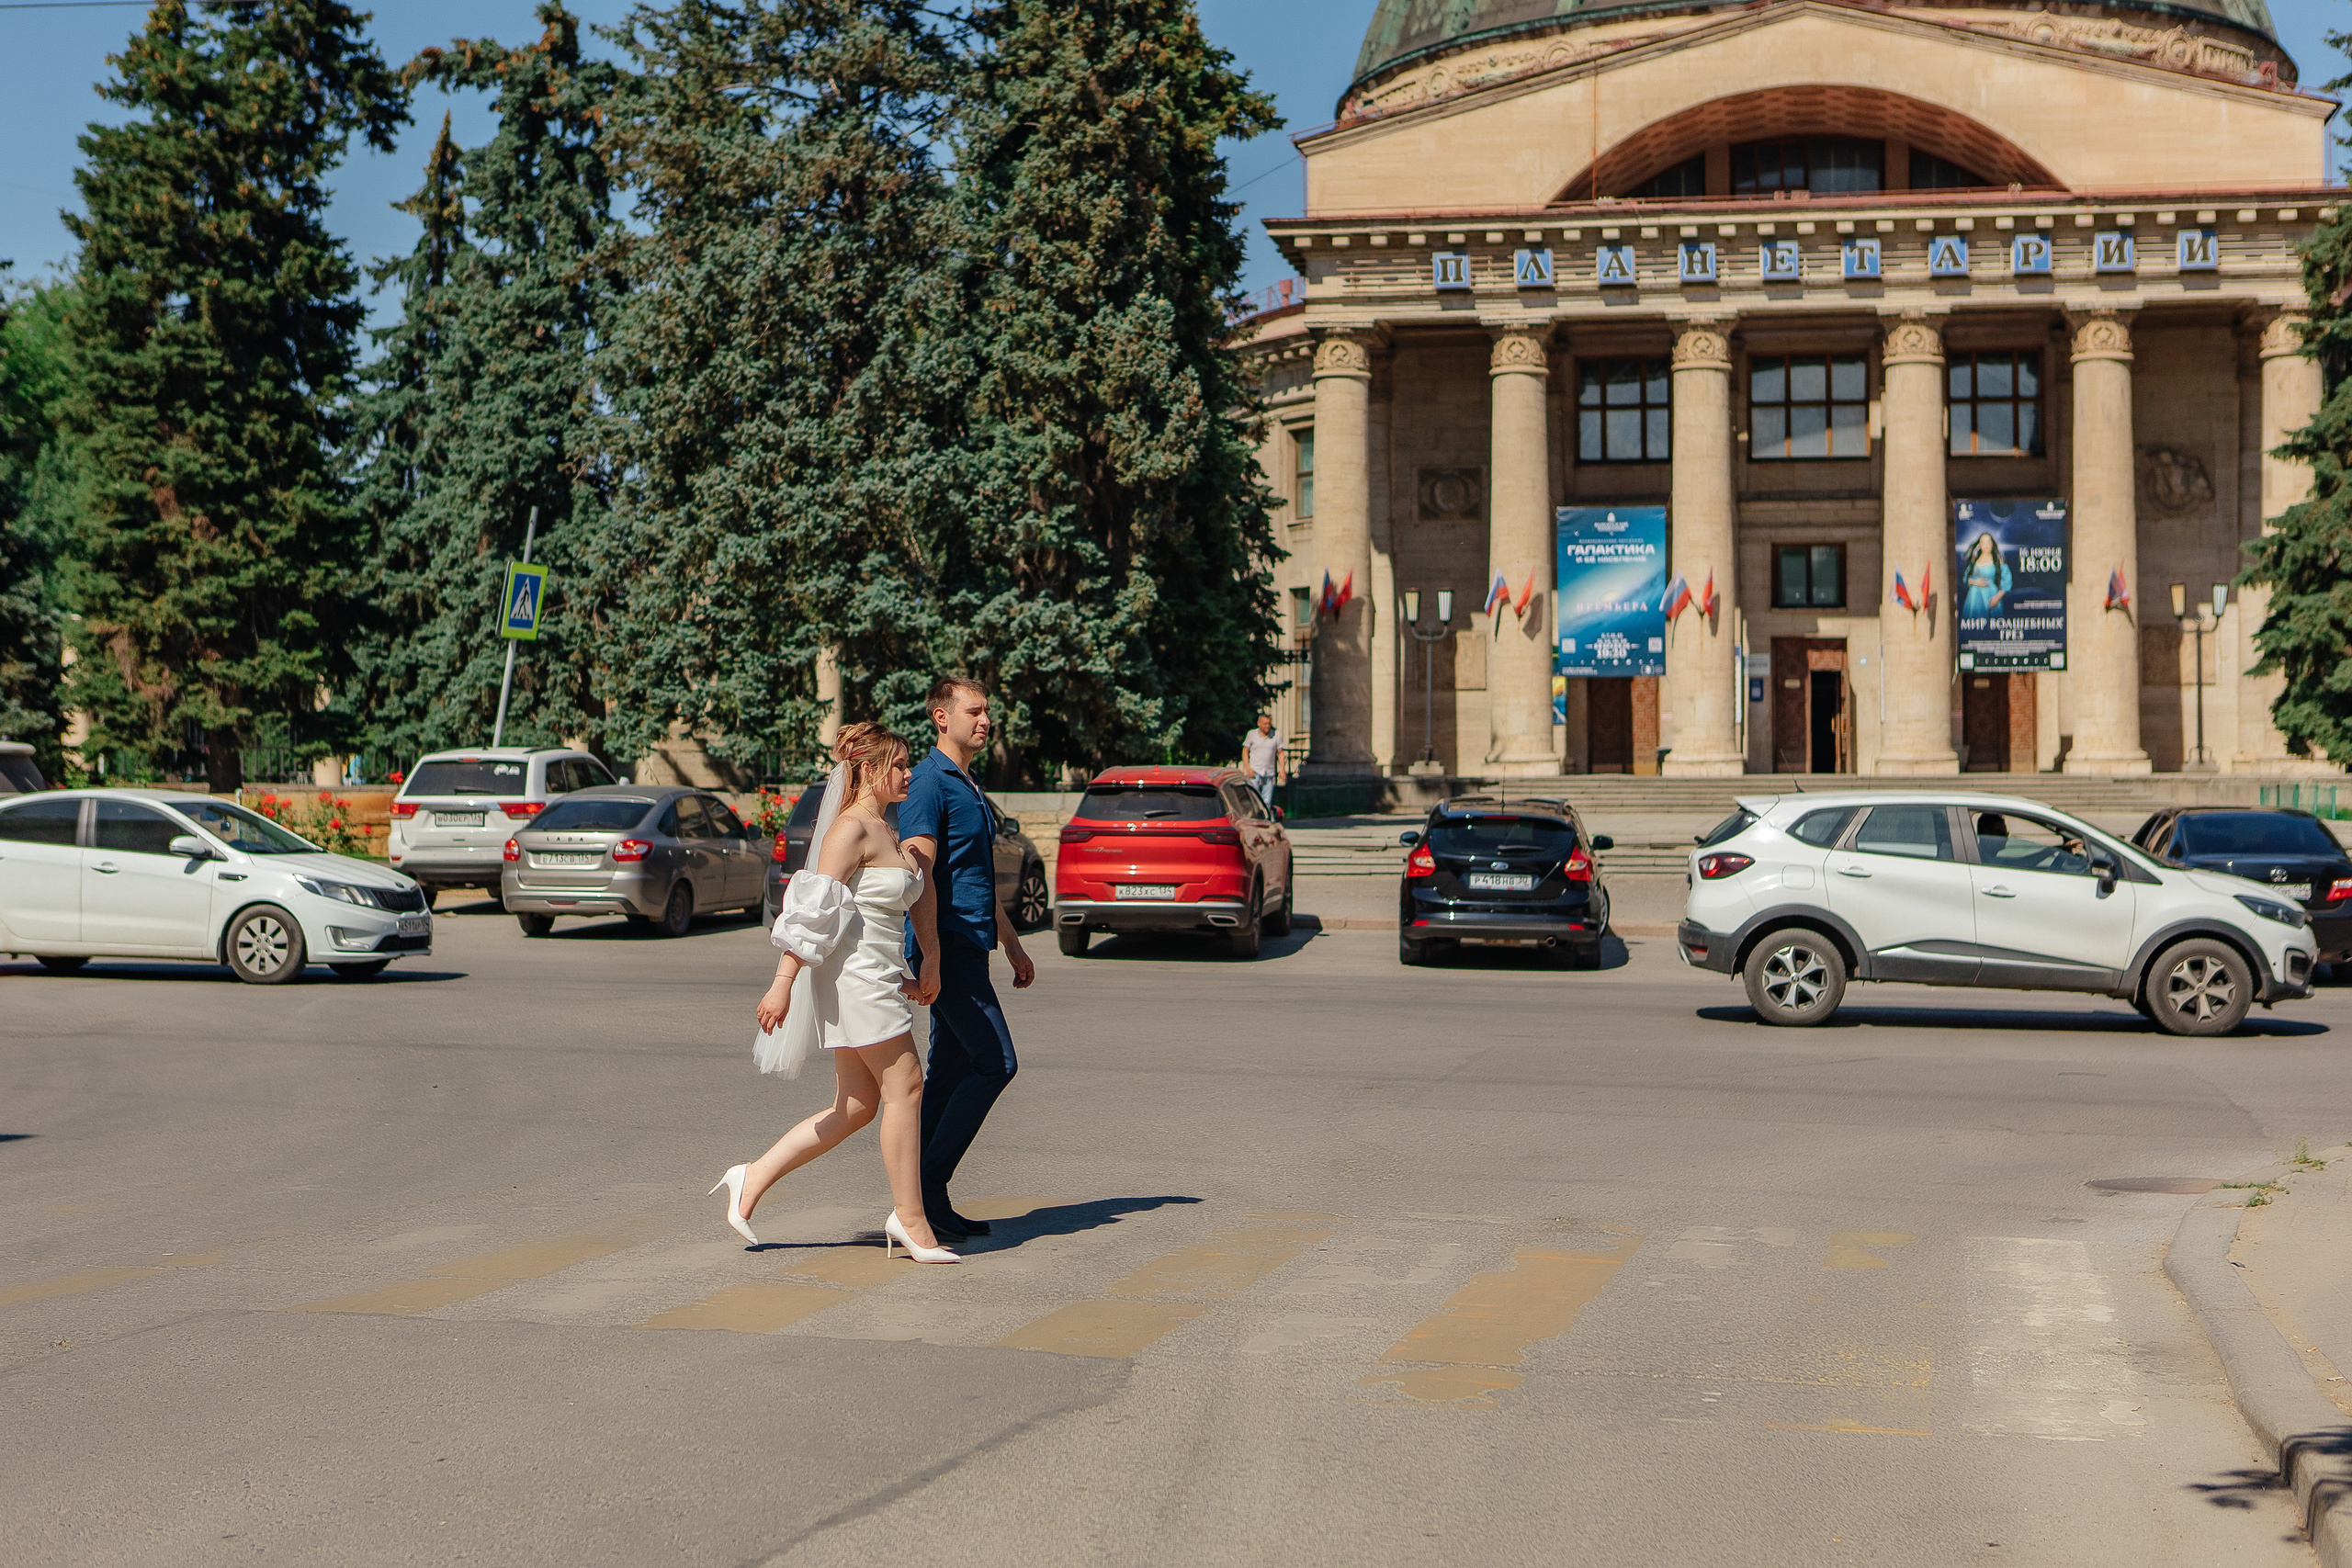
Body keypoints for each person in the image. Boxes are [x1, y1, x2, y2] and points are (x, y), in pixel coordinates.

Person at [709, 722, 958, 1264]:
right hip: (856, 982)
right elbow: (813, 913)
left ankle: (750, 1176)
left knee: (856, 1106)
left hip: (878, 977)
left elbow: (882, 915)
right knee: (907, 1085)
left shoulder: (884, 827)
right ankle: (910, 1217)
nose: (908, 773)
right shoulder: (850, 830)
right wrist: (782, 984)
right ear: (868, 769)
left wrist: (913, 972)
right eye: (898, 764)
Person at [899, 676, 1035, 1245]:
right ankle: (920, 1191)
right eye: (974, 711)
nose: (985, 720)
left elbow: (975, 875)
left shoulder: (966, 782)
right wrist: (929, 956)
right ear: (941, 717)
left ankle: (926, 1201)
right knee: (996, 1062)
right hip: (947, 947)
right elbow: (920, 873)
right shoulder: (930, 782)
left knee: (952, 1071)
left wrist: (1011, 940)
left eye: (987, 712)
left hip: (970, 946)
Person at [1961, 533, 2012, 619]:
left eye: (1988, 542)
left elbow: (2007, 581)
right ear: (1979, 545)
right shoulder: (1975, 559)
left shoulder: (1998, 561)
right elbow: (1965, 578)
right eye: (1983, 542)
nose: (1986, 545)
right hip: (1974, 597)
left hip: (1990, 596)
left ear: (1992, 544)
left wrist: (1997, 598)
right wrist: (1976, 582)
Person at [1241, 714, 1284, 812]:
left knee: (1267, 800)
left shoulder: (1276, 735)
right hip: (1254, 771)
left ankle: (1265, 818)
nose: (1267, 726)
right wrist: (1248, 768)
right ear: (1259, 724)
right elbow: (1245, 751)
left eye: (1269, 724)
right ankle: (1253, 816)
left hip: (1269, 772)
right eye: (1265, 724)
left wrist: (1282, 770)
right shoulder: (1252, 734)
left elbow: (1280, 753)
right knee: (1253, 797)